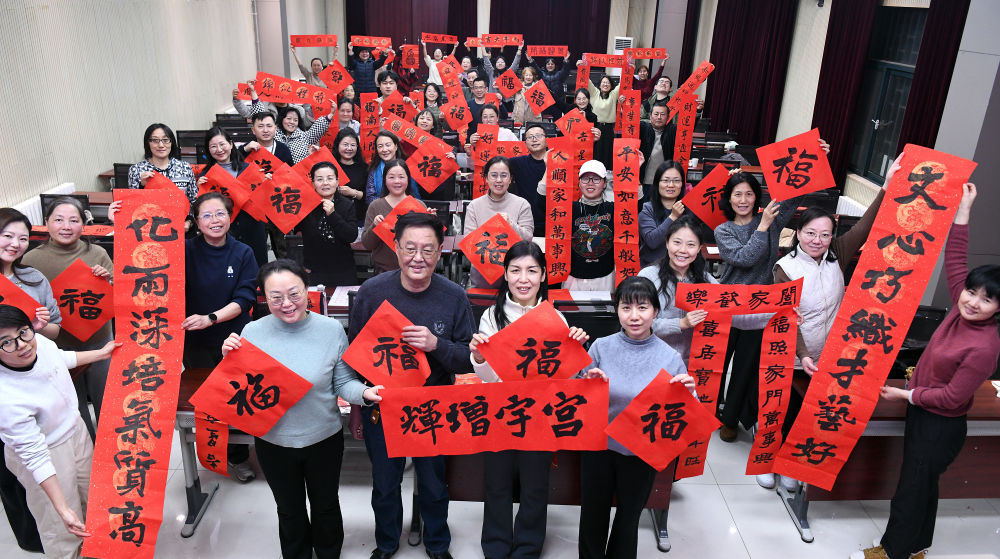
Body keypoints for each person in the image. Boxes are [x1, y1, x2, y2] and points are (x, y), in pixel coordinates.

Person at [852, 184, 1000, 559]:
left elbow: (951, 397)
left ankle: (892, 552)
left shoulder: (985, 346)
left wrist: (905, 394)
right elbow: (956, 259)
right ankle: (917, 547)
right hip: (925, 415)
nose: (973, 301)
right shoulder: (962, 309)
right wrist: (964, 210)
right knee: (924, 487)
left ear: (998, 309)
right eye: (971, 292)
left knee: (911, 489)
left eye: (986, 300)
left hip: (939, 425)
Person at [222, 259, 383, 559]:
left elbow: (343, 382)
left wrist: (365, 393)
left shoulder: (331, 330)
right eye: (276, 298)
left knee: (326, 505)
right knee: (289, 509)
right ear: (263, 297)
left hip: (323, 438)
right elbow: (237, 388)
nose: (286, 304)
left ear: (307, 290)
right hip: (273, 441)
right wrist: (227, 359)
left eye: (294, 294)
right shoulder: (251, 332)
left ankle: (328, 552)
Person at [350, 211, 474, 559]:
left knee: (434, 483)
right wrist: (357, 410)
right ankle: (387, 543)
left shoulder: (454, 296)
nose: (418, 258)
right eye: (410, 248)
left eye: (428, 249)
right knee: (385, 483)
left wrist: (437, 345)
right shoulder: (372, 292)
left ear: (440, 251)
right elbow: (355, 357)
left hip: (432, 407)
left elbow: (469, 359)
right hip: (383, 406)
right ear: (396, 247)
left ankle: (437, 543)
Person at [763, 176, 886, 491]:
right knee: (783, 411)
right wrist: (803, 355)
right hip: (792, 355)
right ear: (798, 233)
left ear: (833, 236)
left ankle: (791, 465)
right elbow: (787, 318)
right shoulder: (785, 268)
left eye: (825, 234)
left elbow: (866, 226)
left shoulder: (838, 254)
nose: (817, 240)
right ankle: (769, 461)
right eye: (810, 233)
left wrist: (887, 187)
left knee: (810, 414)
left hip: (829, 355)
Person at [469, 241, 588, 559]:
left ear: (544, 275)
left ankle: (527, 548)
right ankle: (495, 547)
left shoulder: (556, 319)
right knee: (496, 484)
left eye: (532, 271)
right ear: (506, 275)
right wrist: (479, 358)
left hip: (540, 418)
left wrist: (576, 350)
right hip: (500, 414)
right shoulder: (491, 318)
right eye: (516, 271)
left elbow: (565, 379)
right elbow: (488, 378)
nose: (524, 279)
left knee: (536, 486)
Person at [577, 276, 695, 559]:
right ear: (616, 310)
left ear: (656, 311)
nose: (634, 316)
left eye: (642, 307)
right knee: (592, 514)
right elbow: (576, 396)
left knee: (628, 518)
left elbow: (688, 413)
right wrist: (587, 382)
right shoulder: (601, 347)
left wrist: (690, 393)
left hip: (641, 451)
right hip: (599, 447)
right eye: (626, 307)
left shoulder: (669, 357)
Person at [0, 304, 118, 559]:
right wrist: (62, 508)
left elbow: (59, 358)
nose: (21, 345)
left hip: (75, 430)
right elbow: (35, 457)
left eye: (23, 332)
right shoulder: (5, 397)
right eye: (6, 342)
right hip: (46, 452)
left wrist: (101, 354)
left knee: (94, 502)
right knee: (62, 527)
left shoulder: (37, 342)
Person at [714, 169, 804, 442]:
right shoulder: (723, 230)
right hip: (727, 307)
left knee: (744, 367)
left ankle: (730, 420)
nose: (743, 200)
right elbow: (745, 258)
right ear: (729, 199)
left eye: (749, 194)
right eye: (737, 194)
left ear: (756, 197)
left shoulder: (771, 220)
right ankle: (710, 412)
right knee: (718, 364)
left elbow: (792, 197)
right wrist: (762, 226)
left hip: (759, 309)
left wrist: (813, 159)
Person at [182, 192, 259, 482]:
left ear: (230, 217)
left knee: (236, 394)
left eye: (220, 214)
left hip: (234, 337)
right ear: (196, 221)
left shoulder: (243, 252)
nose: (215, 220)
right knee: (207, 398)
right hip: (195, 340)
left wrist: (211, 318)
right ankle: (215, 450)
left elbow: (244, 298)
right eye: (207, 215)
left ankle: (239, 457)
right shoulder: (185, 249)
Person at [22, 198, 113, 439]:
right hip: (57, 346)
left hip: (99, 340)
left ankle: (109, 448)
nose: (66, 226)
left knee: (106, 399)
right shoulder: (31, 260)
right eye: (58, 220)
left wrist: (107, 281)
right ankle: (86, 449)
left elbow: (119, 294)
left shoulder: (98, 253)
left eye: (73, 220)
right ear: (46, 223)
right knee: (72, 405)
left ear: (83, 223)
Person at [638, 216, 767, 364]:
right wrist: (681, 323)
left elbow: (734, 315)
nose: (683, 250)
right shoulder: (648, 277)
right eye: (677, 242)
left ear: (699, 249)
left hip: (691, 366)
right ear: (667, 243)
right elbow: (637, 323)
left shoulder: (707, 281)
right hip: (654, 362)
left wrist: (778, 314)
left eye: (691, 245)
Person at [196, 127, 269, 266]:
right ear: (208, 150)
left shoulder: (249, 168)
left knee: (257, 268)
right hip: (225, 232)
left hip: (253, 228)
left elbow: (264, 200)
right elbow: (203, 207)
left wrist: (265, 182)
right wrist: (199, 189)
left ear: (230, 144)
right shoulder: (206, 175)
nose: (219, 149)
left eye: (222, 144)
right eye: (213, 146)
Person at [463, 156, 534, 288]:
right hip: (482, 276)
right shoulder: (474, 206)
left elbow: (528, 238)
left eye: (504, 175)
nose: (499, 180)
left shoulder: (522, 204)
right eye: (494, 175)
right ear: (486, 178)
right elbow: (468, 241)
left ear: (510, 179)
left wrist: (510, 225)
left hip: (516, 276)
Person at [361, 159, 429, 274]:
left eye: (401, 177)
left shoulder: (419, 206)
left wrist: (432, 223)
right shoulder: (375, 206)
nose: (397, 181)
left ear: (408, 179)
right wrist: (375, 226)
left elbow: (429, 242)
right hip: (384, 272)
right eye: (391, 177)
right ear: (384, 180)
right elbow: (368, 244)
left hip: (415, 270)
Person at [298, 162, 358, 288]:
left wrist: (333, 215)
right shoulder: (304, 206)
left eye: (330, 178)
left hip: (343, 270)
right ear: (313, 183)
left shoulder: (347, 204)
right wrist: (269, 186)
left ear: (337, 182)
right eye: (319, 179)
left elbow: (351, 235)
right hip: (313, 270)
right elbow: (282, 221)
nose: (325, 183)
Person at [567, 160, 615, 291]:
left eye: (596, 179)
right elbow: (543, 203)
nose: (590, 183)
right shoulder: (569, 208)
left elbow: (636, 206)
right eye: (585, 179)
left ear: (605, 183)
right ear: (579, 183)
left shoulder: (612, 208)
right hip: (573, 277)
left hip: (605, 277)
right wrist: (548, 168)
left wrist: (636, 171)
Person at [638, 160, 695, 267]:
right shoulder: (646, 209)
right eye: (665, 180)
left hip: (682, 268)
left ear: (682, 184)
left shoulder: (689, 209)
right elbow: (652, 242)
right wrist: (673, 217)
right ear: (657, 183)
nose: (671, 185)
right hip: (652, 267)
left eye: (676, 181)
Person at [127, 123, 198, 203]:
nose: (161, 145)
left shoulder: (184, 167)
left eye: (165, 140)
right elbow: (134, 204)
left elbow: (194, 200)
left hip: (183, 211)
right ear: (148, 143)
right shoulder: (136, 170)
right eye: (155, 140)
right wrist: (142, 186)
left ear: (171, 143)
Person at [250, 105, 332, 164]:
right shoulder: (273, 133)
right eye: (289, 118)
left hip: (299, 175)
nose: (292, 122)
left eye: (295, 120)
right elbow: (261, 117)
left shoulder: (304, 137)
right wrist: (254, 93)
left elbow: (318, 129)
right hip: (275, 174)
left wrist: (331, 114)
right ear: (282, 119)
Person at [509, 124, 548, 230]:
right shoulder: (518, 163)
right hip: (526, 223)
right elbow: (493, 165)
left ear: (547, 140)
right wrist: (474, 149)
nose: (534, 139)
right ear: (525, 143)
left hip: (554, 221)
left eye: (538, 135)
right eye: (530, 137)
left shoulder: (559, 161)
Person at [638, 102, 678, 201]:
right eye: (656, 114)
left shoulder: (672, 130)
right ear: (650, 116)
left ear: (668, 117)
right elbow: (630, 123)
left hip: (665, 182)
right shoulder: (643, 128)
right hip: (644, 181)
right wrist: (624, 106)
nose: (659, 117)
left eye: (662, 114)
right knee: (644, 207)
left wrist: (698, 112)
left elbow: (687, 129)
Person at [365, 131, 419, 203]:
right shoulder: (373, 170)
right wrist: (390, 203)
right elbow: (370, 198)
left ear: (396, 146)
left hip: (406, 207)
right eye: (380, 146)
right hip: (381, 209)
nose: (384, 149)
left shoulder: (408, 167)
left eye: (388, 145)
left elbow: (414, 196)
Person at [581, 71, 620, 168]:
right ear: (599, 84)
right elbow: (587, 80)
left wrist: (630, 68)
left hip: (609, 128)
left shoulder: (613, 94)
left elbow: (623, 83)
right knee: (596, 151)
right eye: (603, 82)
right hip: (595, 127)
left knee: (607, 152)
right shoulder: (594, 93)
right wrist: (581, 67)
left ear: (611, 85)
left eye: (608, 83)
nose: (605, 84)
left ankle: (606, 173)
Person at [332, 128, 369, 222]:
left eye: (353, 145)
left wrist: (353, 193)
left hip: (358, 218)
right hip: (333, 216)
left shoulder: (364, 168)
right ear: (338, 145)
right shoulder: (330, 167)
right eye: (345, 144)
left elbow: (369, 196)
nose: (349, 148)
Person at [528, 52, 572, 118]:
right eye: (548, 64)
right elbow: (535, 68)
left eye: (552, 64)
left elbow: (565, 70)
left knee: (557, 121)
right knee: (543, 121)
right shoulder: (541, 74)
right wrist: (531, 60)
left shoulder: (560, 74)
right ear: (545, 65)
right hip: (544, 103)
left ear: (555, 65)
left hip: (557, 104)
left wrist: (566, 60)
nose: (550, 65)